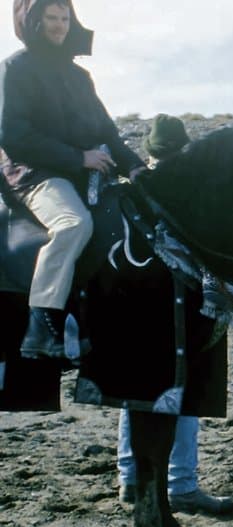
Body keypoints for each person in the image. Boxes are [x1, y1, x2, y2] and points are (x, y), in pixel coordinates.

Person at [0, 0, 146, 360]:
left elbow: (109, 135)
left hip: (83, 172)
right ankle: (41, 322)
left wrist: (137, 169)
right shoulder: (15, 68)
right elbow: (14, 135)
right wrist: (77, 158)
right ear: (33, 21)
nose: (59, 25)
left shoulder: (80, 77)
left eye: (65, 18)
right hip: (33, 173)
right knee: (73, 224)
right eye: (51, 17)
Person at [113, 113, 233, 514]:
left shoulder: (151, 195)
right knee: (155, 394)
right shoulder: (139, 197)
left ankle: (141, 478)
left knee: (154, 393)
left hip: (169, 309)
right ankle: (159, 480)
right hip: (150, 308)